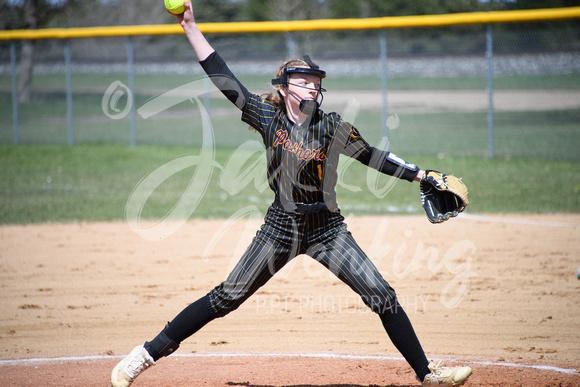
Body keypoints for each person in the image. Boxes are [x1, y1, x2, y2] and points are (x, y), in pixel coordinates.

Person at [111, 2, 473, 386]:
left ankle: (427, 373)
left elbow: (374, 157)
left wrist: (421, 175)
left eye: (316, 81)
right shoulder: (267, 117)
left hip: (327, 230)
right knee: (226, 297)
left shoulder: (333, 126)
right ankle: (142, 357)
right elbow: (221, 74)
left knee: (381, 293)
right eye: (304, 80)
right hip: (280, 228)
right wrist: (189, 26)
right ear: (283, 89)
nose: (312, 85)